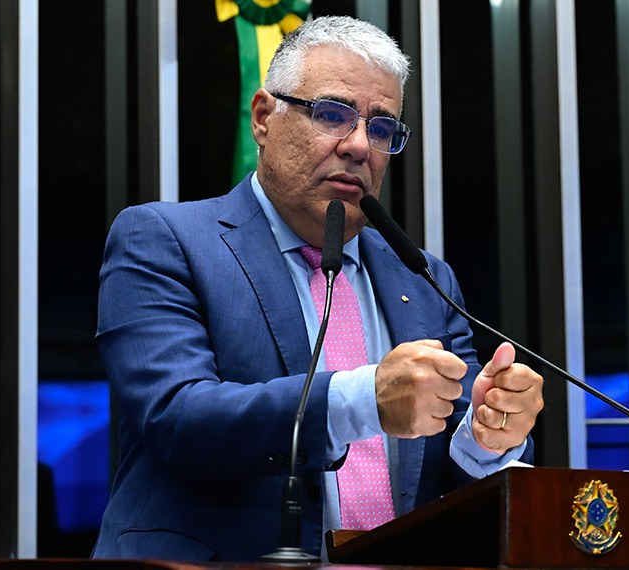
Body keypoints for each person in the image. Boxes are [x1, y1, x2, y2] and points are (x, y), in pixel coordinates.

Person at [92, 16, 544, 562]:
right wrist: (365, 399)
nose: (359, 146)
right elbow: (177, 420)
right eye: (332, 114)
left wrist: (489, 432)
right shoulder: (166, 240)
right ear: (263, 118)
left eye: (381, 129)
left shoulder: (424, 279)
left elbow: (448, 471)